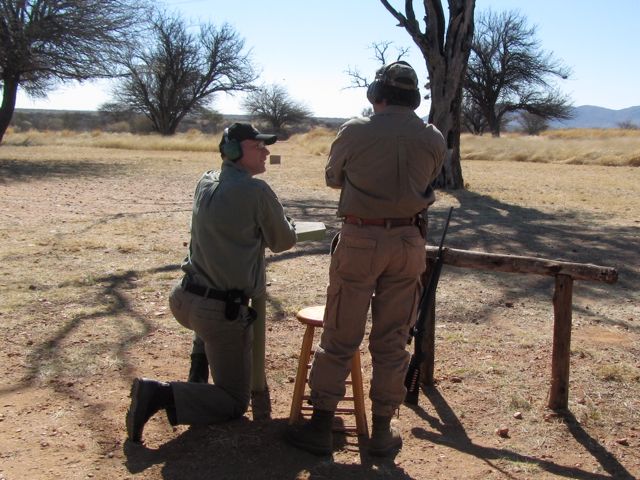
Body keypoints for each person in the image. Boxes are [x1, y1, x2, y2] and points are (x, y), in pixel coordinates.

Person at [285, 61, 446, 456]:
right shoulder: (433, 137)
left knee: (340, 332)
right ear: (414, 97)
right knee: (393, 338)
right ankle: (381, 431)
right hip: (409, 241)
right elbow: (429, 180)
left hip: (360, 238)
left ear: (378, 95)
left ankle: (321, 424)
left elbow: (332, 177)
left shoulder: (356, 130)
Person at [126, 123, 297, 443]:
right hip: (218, 311)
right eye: (257, 146)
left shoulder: (205, 180)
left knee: (210, 330)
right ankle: (159, 395)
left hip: (184, 299)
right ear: (233, 151)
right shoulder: (256, 191)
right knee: (235, 400)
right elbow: (283, 239)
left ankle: (196, 379)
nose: (266, 152)